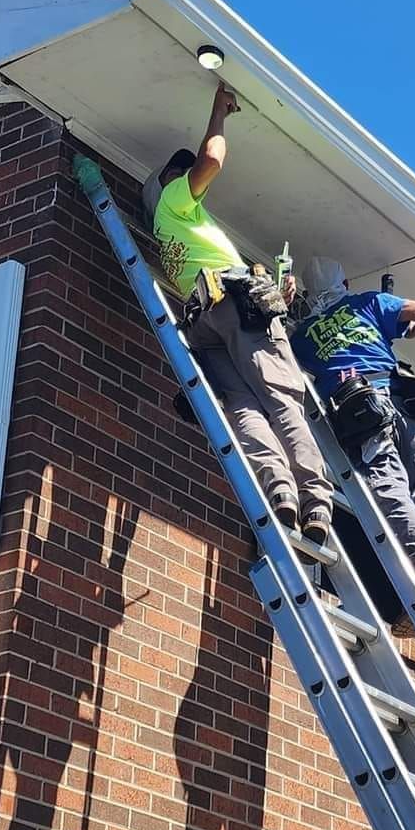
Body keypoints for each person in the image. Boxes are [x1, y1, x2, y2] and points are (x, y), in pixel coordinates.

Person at [141, 85, 332, 544]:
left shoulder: (175, 232)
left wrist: (278, 294)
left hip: (206, 321)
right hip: (233, 304)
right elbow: (212, 160)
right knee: (283, 398)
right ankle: (316, 501)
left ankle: (280, 490)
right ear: (169, 179)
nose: (193, 180)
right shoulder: (174, 203)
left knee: (245, 405)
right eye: (182, 174)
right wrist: (218, 112)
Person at [289, 256, 415, 636]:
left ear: (311, 295)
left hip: (363, 408)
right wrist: (399, 334)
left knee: (389, 489)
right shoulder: (368, 303)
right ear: (343, 283)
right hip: (404, 405)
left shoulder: (303, 336)